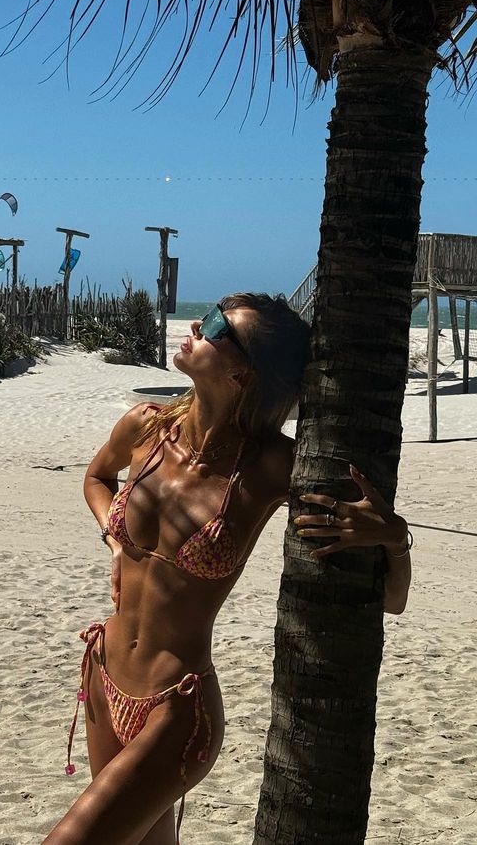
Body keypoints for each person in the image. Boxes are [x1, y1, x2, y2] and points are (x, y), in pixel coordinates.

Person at [45, 294, 412, 845]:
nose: (197, 324)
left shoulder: (273, 466)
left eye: (218, 326)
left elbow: (391, 601)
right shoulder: (145, 427)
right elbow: (97, 477)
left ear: (243, 374)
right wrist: (113, 538)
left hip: (175, 708)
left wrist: (393, 538)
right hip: (103, 677)